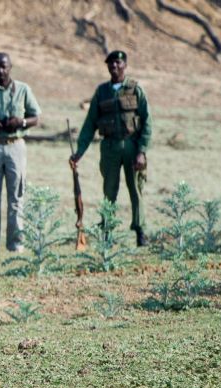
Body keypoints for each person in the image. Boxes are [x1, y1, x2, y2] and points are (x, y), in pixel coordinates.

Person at [69, 50, 152, 247]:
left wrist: (141, 151)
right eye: (110, 63)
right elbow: (90, 124)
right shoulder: (102, 92)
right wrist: (79, 152)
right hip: (109, 148)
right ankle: (107, 233)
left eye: (118, 62)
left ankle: (140, 232)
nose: (114, 66)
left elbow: (147, 121)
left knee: (136, 190)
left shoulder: (135, 89)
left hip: (131, 146)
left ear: (125, 65)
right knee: (109, 191)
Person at [0, 52, 41, 254]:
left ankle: (15, 242)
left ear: (10, 67)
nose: (0, 71)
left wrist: (21, 122)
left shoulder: (23, 89)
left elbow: (36, 117)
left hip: (15, 145)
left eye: (4, 66)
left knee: (17, 195)